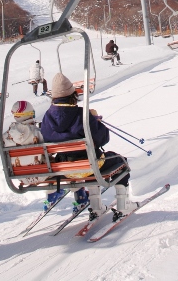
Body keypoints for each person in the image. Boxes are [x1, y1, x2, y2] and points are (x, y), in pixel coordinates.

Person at [41, 72, 136, 220]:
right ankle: (123, 205)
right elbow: (103, 138)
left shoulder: (47, 117)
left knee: (89, 163)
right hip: (89, 167)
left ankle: (96, 207)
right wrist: (95, 121)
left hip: (64, 170)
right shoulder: (81, 115)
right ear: (72, 94)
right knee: (119, 161)